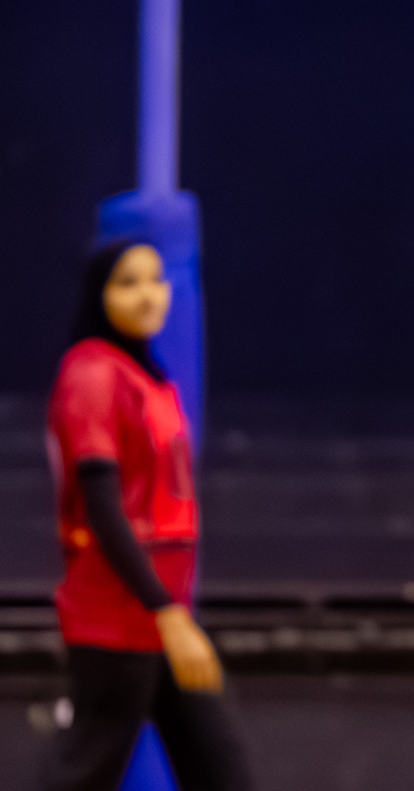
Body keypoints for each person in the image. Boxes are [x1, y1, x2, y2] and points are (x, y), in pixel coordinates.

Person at [44, 240, 253, 791]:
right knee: (82, 768)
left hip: (161, 620)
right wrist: (166, 612)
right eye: (128, 282)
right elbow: (103, 509)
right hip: (119, 621)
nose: (147, 295)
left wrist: (170, 615)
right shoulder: (92, 374)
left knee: (222, 770)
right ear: (100, 293)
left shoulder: (148, 376)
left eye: (156, 280)